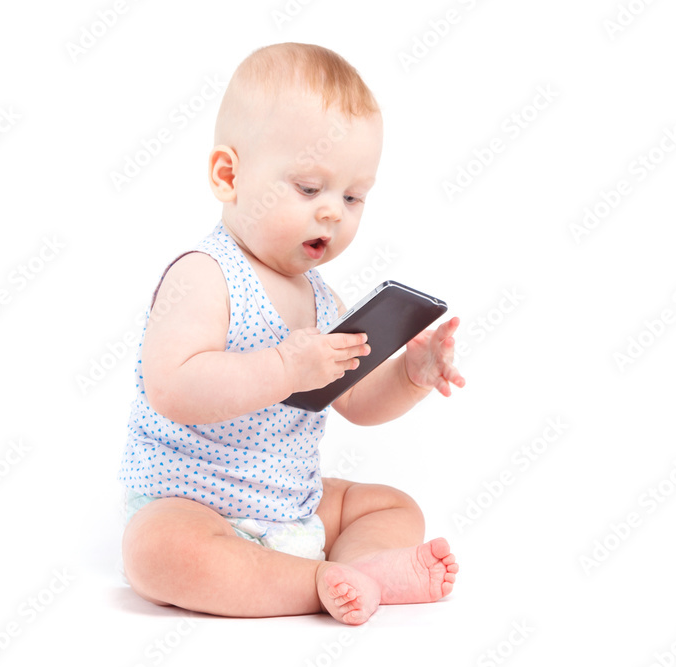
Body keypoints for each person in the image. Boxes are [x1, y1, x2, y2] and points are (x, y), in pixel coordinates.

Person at [118, 42, 465, 625]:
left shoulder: (322, 299)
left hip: (291, 504)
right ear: (229, 175)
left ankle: (355, 571)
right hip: (196, 502)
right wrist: (283, 368)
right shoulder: (205, 274)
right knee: (155, 554)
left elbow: (354, 399)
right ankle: (319, 581)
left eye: (353, 197)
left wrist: (409, 377)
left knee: (390, 506)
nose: (333, 212)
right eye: (310, 189)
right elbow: (171, 388)